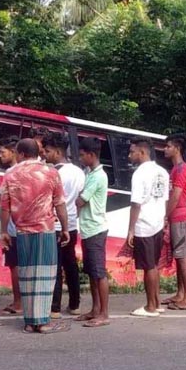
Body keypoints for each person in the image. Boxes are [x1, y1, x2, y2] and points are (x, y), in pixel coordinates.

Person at [0, 138, 71, 334]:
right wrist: (65, 228)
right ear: (37, 153)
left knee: (27, 275)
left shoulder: (11, 174)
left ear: (20, 154)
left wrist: (3, 232)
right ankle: (43, 321)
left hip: (22, 232)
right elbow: (60, 204)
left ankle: (30, 322)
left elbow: (4, 207)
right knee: (46, 276)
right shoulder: (51, 172)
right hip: (46, 229)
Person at [42, 132, 85, 318]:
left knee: (55, 266)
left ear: (58, 151)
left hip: (56, 225)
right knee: (71, 265)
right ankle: (75, 304)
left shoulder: (53, 173)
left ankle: (55, 307)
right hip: (73, 224)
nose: (45, 154)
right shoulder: (79, 171)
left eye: (48, 151)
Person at [126, 139, 169, 318]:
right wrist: (163, 219)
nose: (130, 156)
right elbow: (164, 199)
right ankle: (156, 302)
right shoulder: (162, 172)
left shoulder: (140, 173)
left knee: (148, 266)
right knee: (154, 265)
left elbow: (136, 204)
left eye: (132, 152)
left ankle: (150, 306)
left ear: (142, 153)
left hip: (144, 224)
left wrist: (130, 230)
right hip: (158, 222)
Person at [75, 137, 111, 328]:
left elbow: (81, 200)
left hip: (96, 228)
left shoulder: (98, 176)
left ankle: (104, 313)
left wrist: (77, 198)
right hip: (88, 228)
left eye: (82, 155)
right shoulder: (89, 173)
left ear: (91, 155)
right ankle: (95, 309)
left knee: (99, 273)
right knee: (91, 272)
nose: (80, 158)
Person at [162, 134, 186, 311]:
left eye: (168, 146)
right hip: (176, 217)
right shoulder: (176, 169)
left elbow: (175, 195)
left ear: (177, 148)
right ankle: (180, 293)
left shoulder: (182, 169)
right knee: (179, 257)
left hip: (180, 218)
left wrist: (165, 216)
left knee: (183, 258)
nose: (165, 149)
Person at [0, 136, 23, 317]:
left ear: (13, 152)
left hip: (13, 227)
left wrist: (2, 230)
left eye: (3, 151)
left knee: (14, 265)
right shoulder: (28, 171)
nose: (0, 155)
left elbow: (1, 201)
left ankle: (18, 302)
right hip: (26, 226)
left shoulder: (11, 174)